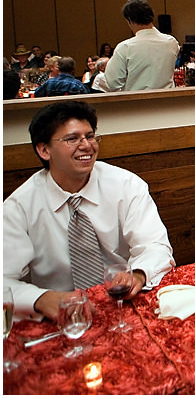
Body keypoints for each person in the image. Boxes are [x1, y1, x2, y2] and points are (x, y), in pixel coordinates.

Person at [3, 101, 174, 321]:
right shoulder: (19, 207)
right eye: (72, 139)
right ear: (44, 150)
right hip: (59, 319)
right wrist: (42, 299)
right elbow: (3, 279)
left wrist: (139, 274)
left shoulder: (126, 185)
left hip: (123, 307)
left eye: (90, 136)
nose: (86, 145)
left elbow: (155, 246)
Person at [105, 0, 180, 91]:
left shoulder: (125, 47)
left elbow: (112, 83)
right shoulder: (172, 42)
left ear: (129, 20)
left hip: (136, 102)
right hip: (168, 101)